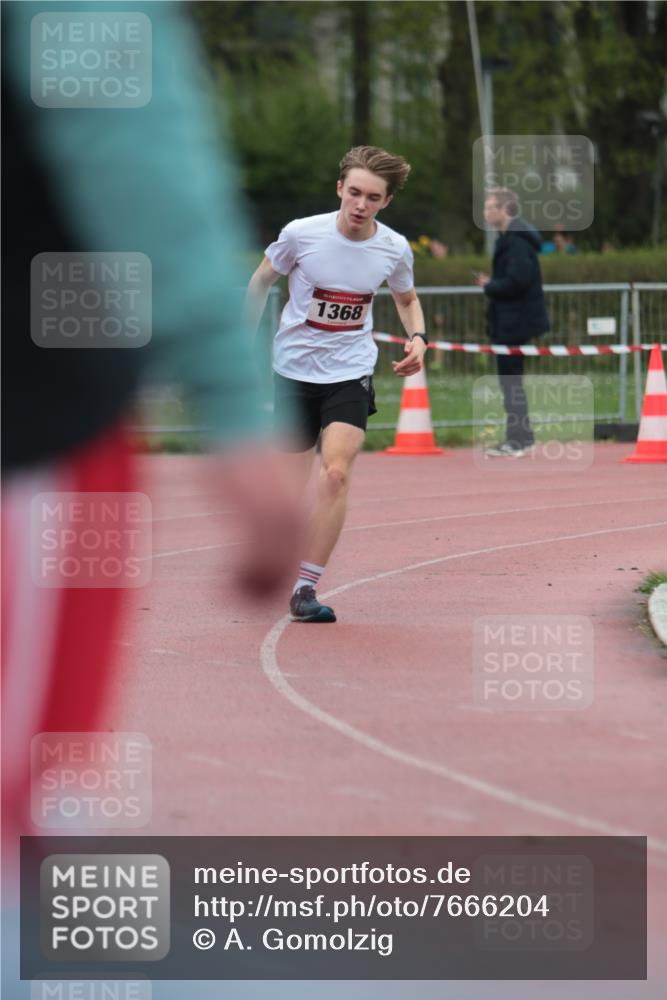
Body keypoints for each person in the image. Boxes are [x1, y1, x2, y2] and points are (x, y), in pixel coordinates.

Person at [246, 145, 428, 623]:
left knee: (335, 473)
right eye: (354, 193)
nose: (360, 205)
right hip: (293, 372)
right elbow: (262, 281)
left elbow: (407, 299)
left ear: (386, 202)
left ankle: (305, 588)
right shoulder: (300, 234)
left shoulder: (393, 247)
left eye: (372, 197)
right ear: (339, 189)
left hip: (350, 370)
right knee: (289, 490)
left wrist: (419, 337)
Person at [476, 188, 550, 457]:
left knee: (511, 382)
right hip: (507, 321)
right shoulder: (506, 239)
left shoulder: (517, 242)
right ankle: (520, 436)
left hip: (515, 323)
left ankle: (518, 439)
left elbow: (518, 281)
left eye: (489, 207)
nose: (485, 212)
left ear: (504, 209)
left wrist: (490, 286)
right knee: (510, 382)